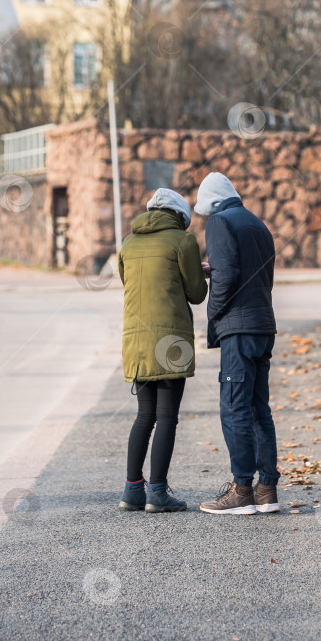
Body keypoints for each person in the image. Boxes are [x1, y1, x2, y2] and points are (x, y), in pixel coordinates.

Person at [194, 172, 280, 515]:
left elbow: (229, 277)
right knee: (260, 409)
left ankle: (241, 491)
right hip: (263, 326)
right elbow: (252, 274)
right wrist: (215, 269)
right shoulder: (258, 224)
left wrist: (214, 314)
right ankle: (266, 490)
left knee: (234, 408)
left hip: (238, 330)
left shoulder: (219, 222)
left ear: (212, 204)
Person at [118, 188, 207, 513]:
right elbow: (196, 293)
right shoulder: (183, 242)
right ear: (180, 217)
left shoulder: (128, 242)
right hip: (171, 344)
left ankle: (132, 491)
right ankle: (157, 492)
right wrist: (202, 272)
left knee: (144, 415)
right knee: (167, 416)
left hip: (136, 341)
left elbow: (128, 281)